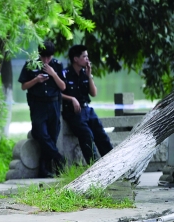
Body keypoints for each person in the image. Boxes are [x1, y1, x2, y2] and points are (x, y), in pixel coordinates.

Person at [18, 41, 67, 177]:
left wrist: (53, 74)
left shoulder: (57, 65)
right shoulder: (31, 64)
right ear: (39, 54)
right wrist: (36, 80)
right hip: (38, 104)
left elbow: (63, 87)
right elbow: (23, 86)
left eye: (48, 57)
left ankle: (44, 169)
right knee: (40, 133)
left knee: (52, 135)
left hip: (53, 104)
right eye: (43, 57)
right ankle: (59, 158)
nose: (46, 60)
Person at [62, 44, 113, 165]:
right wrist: (72, 99)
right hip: (74, 112)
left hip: (87, 109)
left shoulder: (85, 73)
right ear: (76, 59)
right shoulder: (65, 73)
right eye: (84, 56)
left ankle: (112, 162)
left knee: (101, 133)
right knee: (87, 135)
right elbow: (57, 93)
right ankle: (94, 165)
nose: (87, 59)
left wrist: (89, 76)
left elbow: (94, 93)